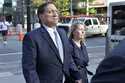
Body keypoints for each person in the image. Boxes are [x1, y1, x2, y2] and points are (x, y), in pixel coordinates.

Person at [22, 2, 82, 83]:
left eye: (56, 11)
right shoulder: (32, 37)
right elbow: (29, 68)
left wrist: (77, 75)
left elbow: (67, 56)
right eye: (50, 12)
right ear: (41, 16)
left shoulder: (62, 32)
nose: (55, 14)